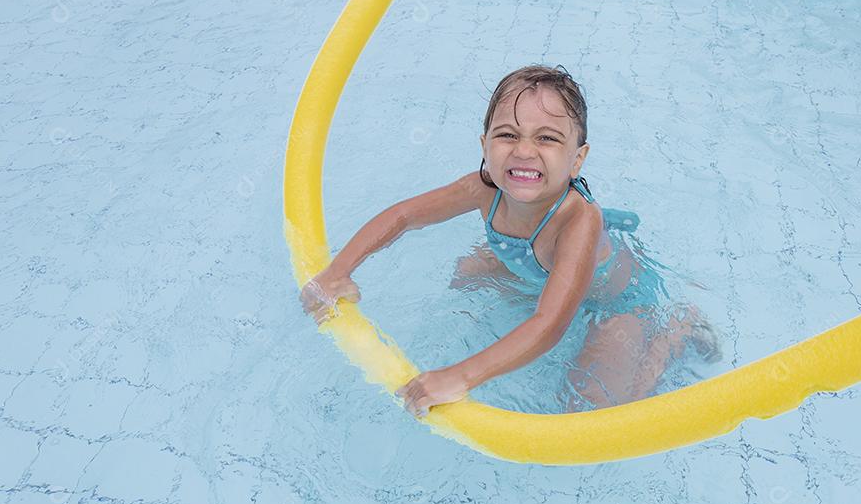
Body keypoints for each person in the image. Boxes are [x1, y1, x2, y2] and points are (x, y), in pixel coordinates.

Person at [300, 65, 720, 418]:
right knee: (469, 273)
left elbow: (549, 324)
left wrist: (459, 375)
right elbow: (404, 216)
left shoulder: (579, 222)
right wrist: (339, 271)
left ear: (577, 159)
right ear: (485, 146)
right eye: (507, 135)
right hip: (535, 264)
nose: (524, 151)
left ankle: (675, 333)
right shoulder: (484, 187)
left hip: (617, 302)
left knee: (587, 407)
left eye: (547, 138)